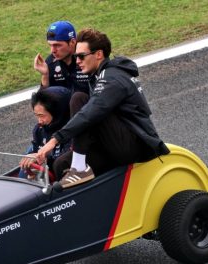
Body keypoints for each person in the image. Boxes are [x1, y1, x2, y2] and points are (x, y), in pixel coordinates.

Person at [35, 28, 170, 188]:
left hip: (136, 146)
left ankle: (79, 168)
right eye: (76, 56)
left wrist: (55, 139)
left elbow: (91, 112)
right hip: (113, 142)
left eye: (81, 56)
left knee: (79, 99)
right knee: (61, 164)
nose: (77, 61)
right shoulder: (98, 76)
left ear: (98, 54)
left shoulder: (112, 77)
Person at [19, 86, 72, 177]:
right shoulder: (39, 130)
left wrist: (41, 157)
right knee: (27, 156)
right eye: (37, 115)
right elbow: (35, 149)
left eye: (42, 116)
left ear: (57, 113)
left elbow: (63, 161)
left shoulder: (72, 132)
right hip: (46, 176)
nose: (39, 121)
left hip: (65, 176)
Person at [33, 21, 89, 94]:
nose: (52, 50)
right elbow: (42, 101)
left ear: (72, 42)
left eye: (57, 45)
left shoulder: (88, 59)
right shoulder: (50, 63)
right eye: (50, 45)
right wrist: (45, 76)